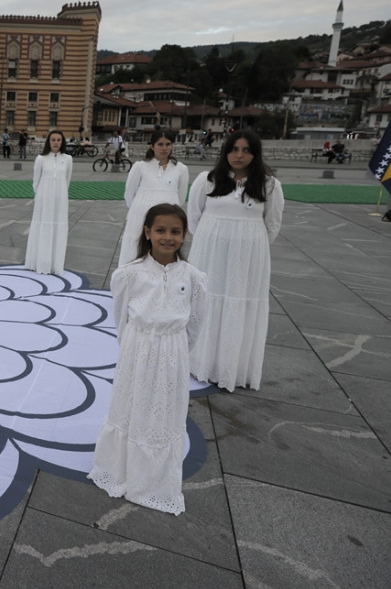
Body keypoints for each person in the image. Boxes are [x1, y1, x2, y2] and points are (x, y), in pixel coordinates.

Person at [88, 204, 207, 515]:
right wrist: (135, 346)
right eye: (161, 230)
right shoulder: (129, 274)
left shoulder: (193, 277)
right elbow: (120, 318)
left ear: (184, 235)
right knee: (131, 405)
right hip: (137, 350)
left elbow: (195, 322)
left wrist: (176, 348)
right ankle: (121, 470)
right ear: (147, 232)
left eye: (175, 231)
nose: (168, 237)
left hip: (173, 353)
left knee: (164, 410)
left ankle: (152, 479)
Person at [188, 129, 284, 391]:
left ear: (255, 154)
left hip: (248, 260)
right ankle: (201, 362)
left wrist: (245, 244)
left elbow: (272, 226)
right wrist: (215, 240)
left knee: (238, 305)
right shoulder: (206, 180)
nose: (239, 155)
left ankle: (232, 368)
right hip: (210, 255)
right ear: (225, 151)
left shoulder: (269, 185)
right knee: (208, 301)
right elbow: (193, 218)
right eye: (234, 149)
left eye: (246, 150)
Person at [118, 132, 190, 268]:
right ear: (152, 146)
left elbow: (181, 197)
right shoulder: (140, 166)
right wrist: (139, 210)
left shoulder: (181, 169)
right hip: (140, 217)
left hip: (167, 217)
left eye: (168, 144)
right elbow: (129, 194)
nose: (164, 148)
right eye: (160, 144)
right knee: (136, 250)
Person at [25, 130, 73, 275]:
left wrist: (59, 194)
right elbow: (35, 182)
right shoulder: (41, 159)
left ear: (62, 142)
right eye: (53, 140)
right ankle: (41, 262)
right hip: (44, 198)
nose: (56, 142)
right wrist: (41, 196)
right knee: (43, 226)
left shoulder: (68, 159)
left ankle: (55, 264)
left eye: (59, 140)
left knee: (57, 227)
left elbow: (67, 180)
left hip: (60, 199)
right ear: (49, 142)